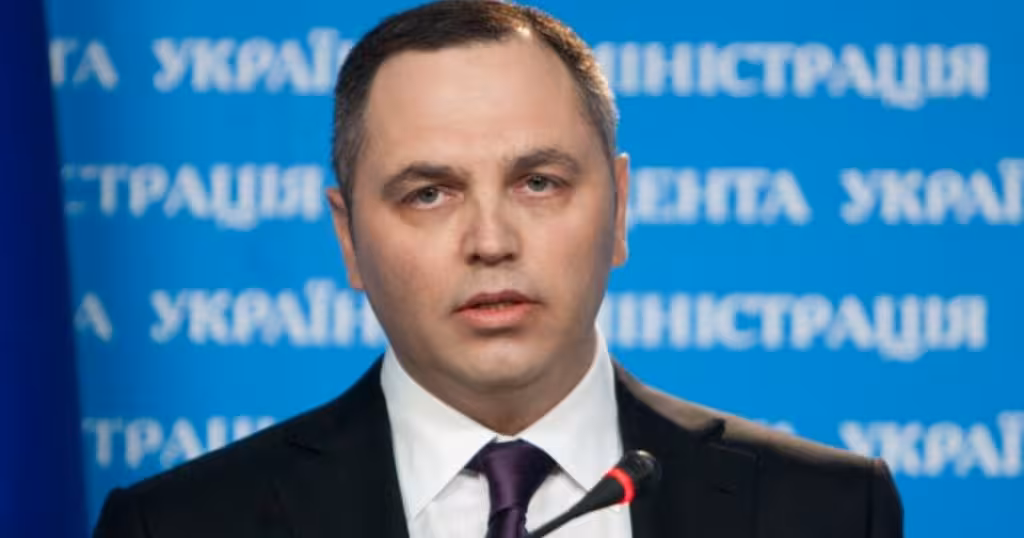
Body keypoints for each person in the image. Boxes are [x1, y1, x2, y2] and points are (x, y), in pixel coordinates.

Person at [93, 1, 904, 537]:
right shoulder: (180, 526)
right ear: (348, 237)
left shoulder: (826, 511)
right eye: (429, 193)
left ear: (619, 209)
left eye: (538, 183)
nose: (490, 240)